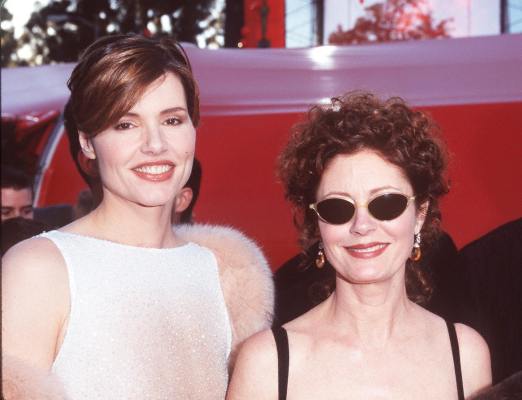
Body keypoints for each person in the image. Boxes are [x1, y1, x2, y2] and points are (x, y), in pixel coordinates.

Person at [2, 34, 273, 400]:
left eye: (172, 120)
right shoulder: (40, 268)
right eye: (125, 124)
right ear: (86, 142)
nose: (155, 145)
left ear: (193, 127)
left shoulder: (230, 273)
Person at [227, 92, 491, 399]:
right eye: (338, 208)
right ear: (317, 225)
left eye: (386, 204)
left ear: (419, 215)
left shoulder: (465, 354)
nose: (362, 226)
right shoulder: (267, 363)